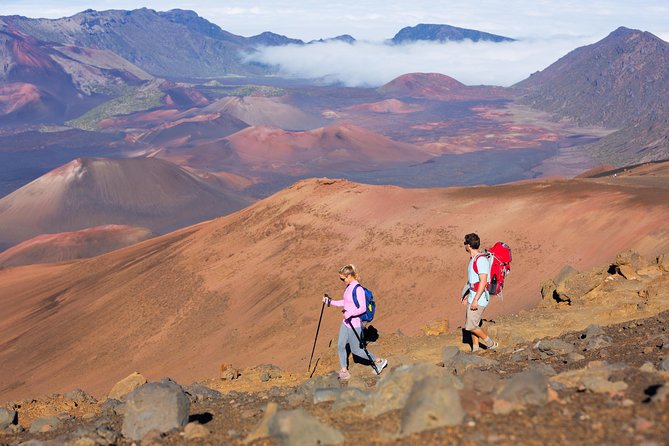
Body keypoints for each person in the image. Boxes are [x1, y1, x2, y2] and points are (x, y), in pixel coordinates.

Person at [323, 264, 388, 380]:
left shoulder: (358, 289)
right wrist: (330, 302)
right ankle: (344, 370)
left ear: (349, 276)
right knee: (340, 345)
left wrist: (350, 313)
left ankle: (379, 361)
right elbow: (346, 302)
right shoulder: (348, 287)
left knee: (356, 351)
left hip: (355, 324)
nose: (342, 281)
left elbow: (362, 308)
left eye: (342, 279)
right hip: (346, 322)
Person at [463, 233, 498, 352]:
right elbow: (474, 281)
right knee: (474, 324)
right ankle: (476, 348)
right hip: (473, 295)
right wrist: (468, 294)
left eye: (465, 243)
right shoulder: (473, 259)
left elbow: (483, 281)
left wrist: (475, 300)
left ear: (468, 245)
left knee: (471, 326)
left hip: (479, 298)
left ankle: (491, 344)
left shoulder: (481, 260)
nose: (464, 246)